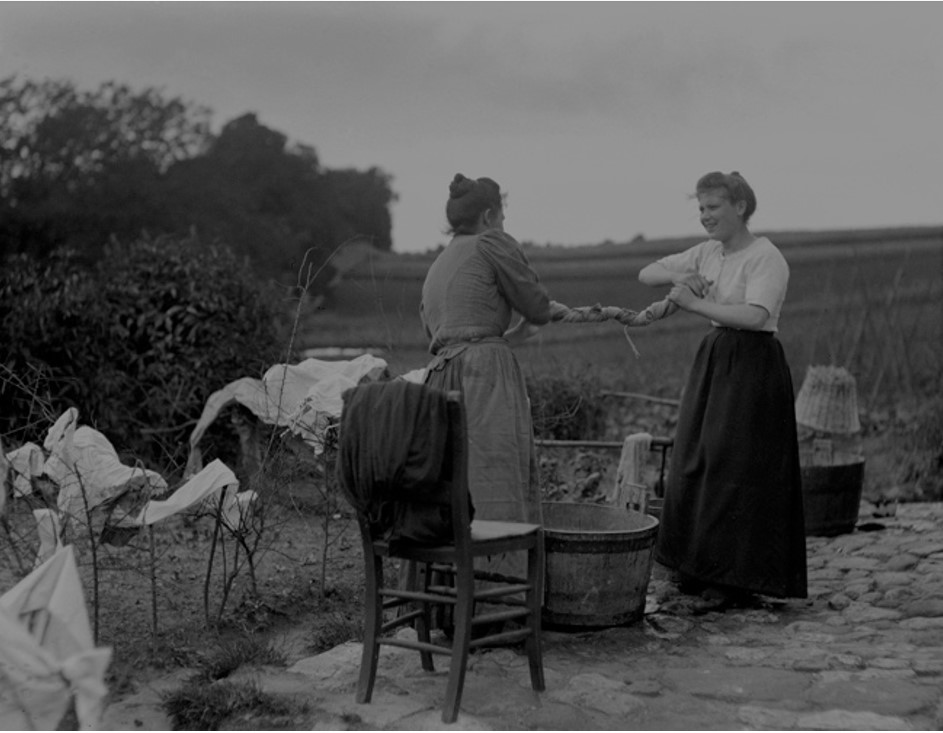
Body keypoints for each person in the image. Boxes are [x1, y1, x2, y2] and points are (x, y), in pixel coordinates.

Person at [638, 170, 807, 612]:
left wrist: (694, 303)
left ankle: (734, 577)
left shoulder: (765, 256)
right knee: (698, 456)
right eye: (701, 209)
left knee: (737, 465)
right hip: (714, 360)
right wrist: (686, 279)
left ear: (741, 208)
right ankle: (696, 566)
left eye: (713, 207)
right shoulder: (708, 253)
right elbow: (647, 273)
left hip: (752, 364)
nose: (705, 217)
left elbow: (754, 316)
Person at [421, 173, 560, 532]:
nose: (502, 224)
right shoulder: (491, 243)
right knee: (492, 479)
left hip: (439, 378)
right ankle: (499, 583)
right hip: (483, 377)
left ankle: (449, 584)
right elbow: (538, 307)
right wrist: (537, 315)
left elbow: (453, 336)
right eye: (501, 215)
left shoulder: (439, 264)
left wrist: (512, 335)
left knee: (452, 482)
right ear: (488, 216)